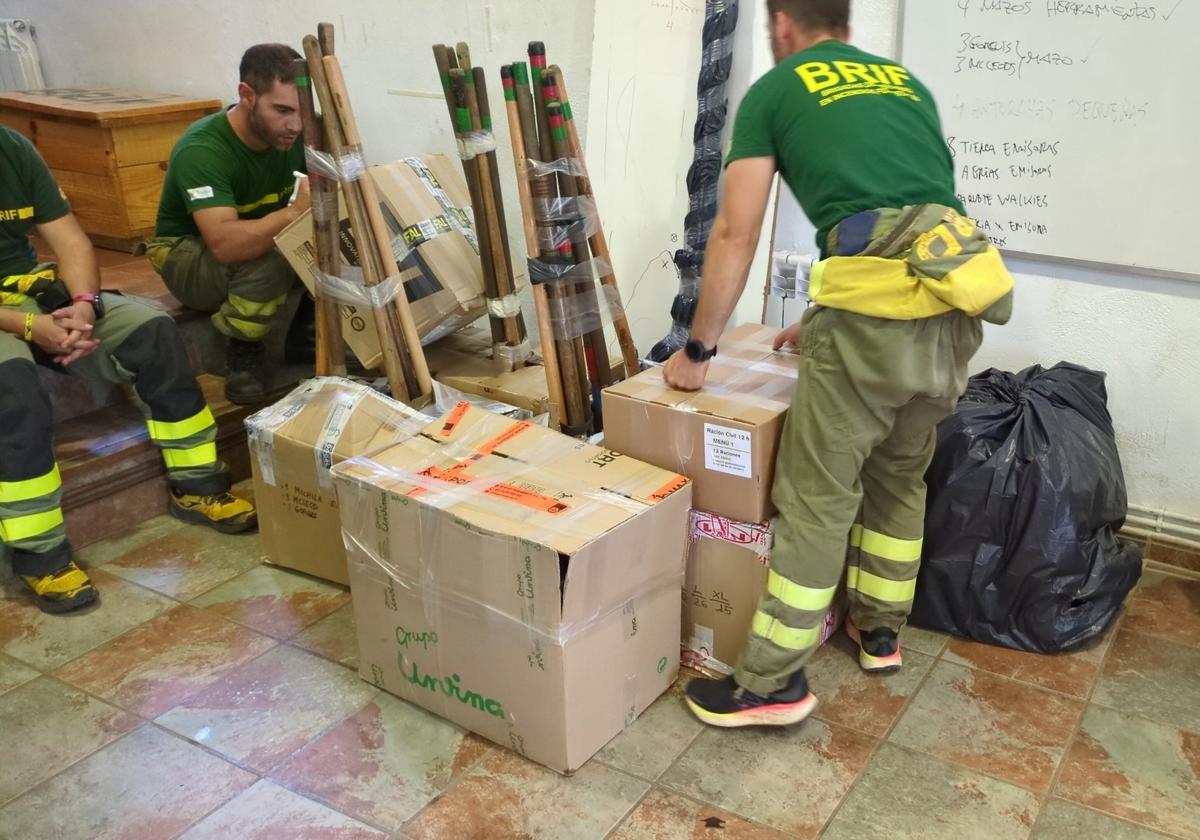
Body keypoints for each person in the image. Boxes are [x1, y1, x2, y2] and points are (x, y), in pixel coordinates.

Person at [664, 0, 1014, 728]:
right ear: (846, 25)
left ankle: (769, 684)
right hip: (954, 313)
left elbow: (734, 231)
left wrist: (698, 350)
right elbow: (911, 214)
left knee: (818, 496)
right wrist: (825, 316)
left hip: (870, 325)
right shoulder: (903, 84)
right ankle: (880, 630)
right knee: (898, 471)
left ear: (783, 25)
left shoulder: (779, 88)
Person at [0, 126, 258, 614]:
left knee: (152, 330)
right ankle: (40, 556)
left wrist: (84, 305)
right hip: (14, 314)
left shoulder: (12, 147)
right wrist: (26, 325)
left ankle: (198, 487)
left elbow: (71, 241)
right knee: (12, 387)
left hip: (28, 294)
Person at [146, 43, 314, 406]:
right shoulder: (203, 149)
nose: (296, 125)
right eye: (282, 110)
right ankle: (241, 353)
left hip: (250, 242)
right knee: (277, 248)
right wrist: (293, 214)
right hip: (190, 258)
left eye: (303, 112)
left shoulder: (298, 133)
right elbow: (226, 245)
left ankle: (307, 333)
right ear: (247, 95)